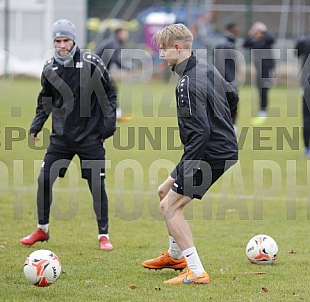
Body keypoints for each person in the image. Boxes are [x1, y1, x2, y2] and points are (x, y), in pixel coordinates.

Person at [141, 24, 239, 285]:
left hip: (210, 154)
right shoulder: (206, 67)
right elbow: (233, 97)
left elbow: (200, 133)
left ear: (176, 48)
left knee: (169, 205)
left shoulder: (187, 83)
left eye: (162, 48)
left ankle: (196, 271)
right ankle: (175, 257)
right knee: (164, 191)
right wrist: (227, 128)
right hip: (215, 149)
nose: (160, 54)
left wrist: (184, 172)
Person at [19, 19, 117, 251]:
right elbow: (46, 99)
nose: (62, 45)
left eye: (66, 40)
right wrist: (36, 125)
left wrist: (107, 127)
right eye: (58, 41)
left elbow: (110, 95)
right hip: (61, 138)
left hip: (91, 138)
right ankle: (42, 229)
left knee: (96, 185)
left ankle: (103, 235)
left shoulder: (92, 63)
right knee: (44, 180)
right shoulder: (50, 68)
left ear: (74, 40)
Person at [243, 22, 276, 125]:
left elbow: (272, 39)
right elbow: (245, 43)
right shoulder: (255, 41)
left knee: (264, 89)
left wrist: (264, 30)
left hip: (267, 68)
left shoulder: (267, 40)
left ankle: (263, 110)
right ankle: (262, 109)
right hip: (258, 69)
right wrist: (251, 33)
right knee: (260, 89)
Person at [95, 28, 131, 121]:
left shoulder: (112, 42)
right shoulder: (113, 44)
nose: (126, 36)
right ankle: (116, 114)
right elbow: (114, 60)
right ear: (119, 34)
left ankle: (110, 113)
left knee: (106, 92)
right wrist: (125, 67)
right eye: (125, 34)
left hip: (98, 71)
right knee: (112, 90)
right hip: (98, 71)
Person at [214, 22, 240, 131]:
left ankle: (231, 124)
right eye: (236, 29)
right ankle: (229, 125)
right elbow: (220, 64)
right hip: (227, 79)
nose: (238, 31)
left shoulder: (230, 42)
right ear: (230, 29)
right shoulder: (224, 44)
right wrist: (227, 80)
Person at [294, 36, 310, 156]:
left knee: (306, 116)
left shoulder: (305, 41)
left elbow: (297, 52)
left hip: (307, 84)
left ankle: (307, 148)